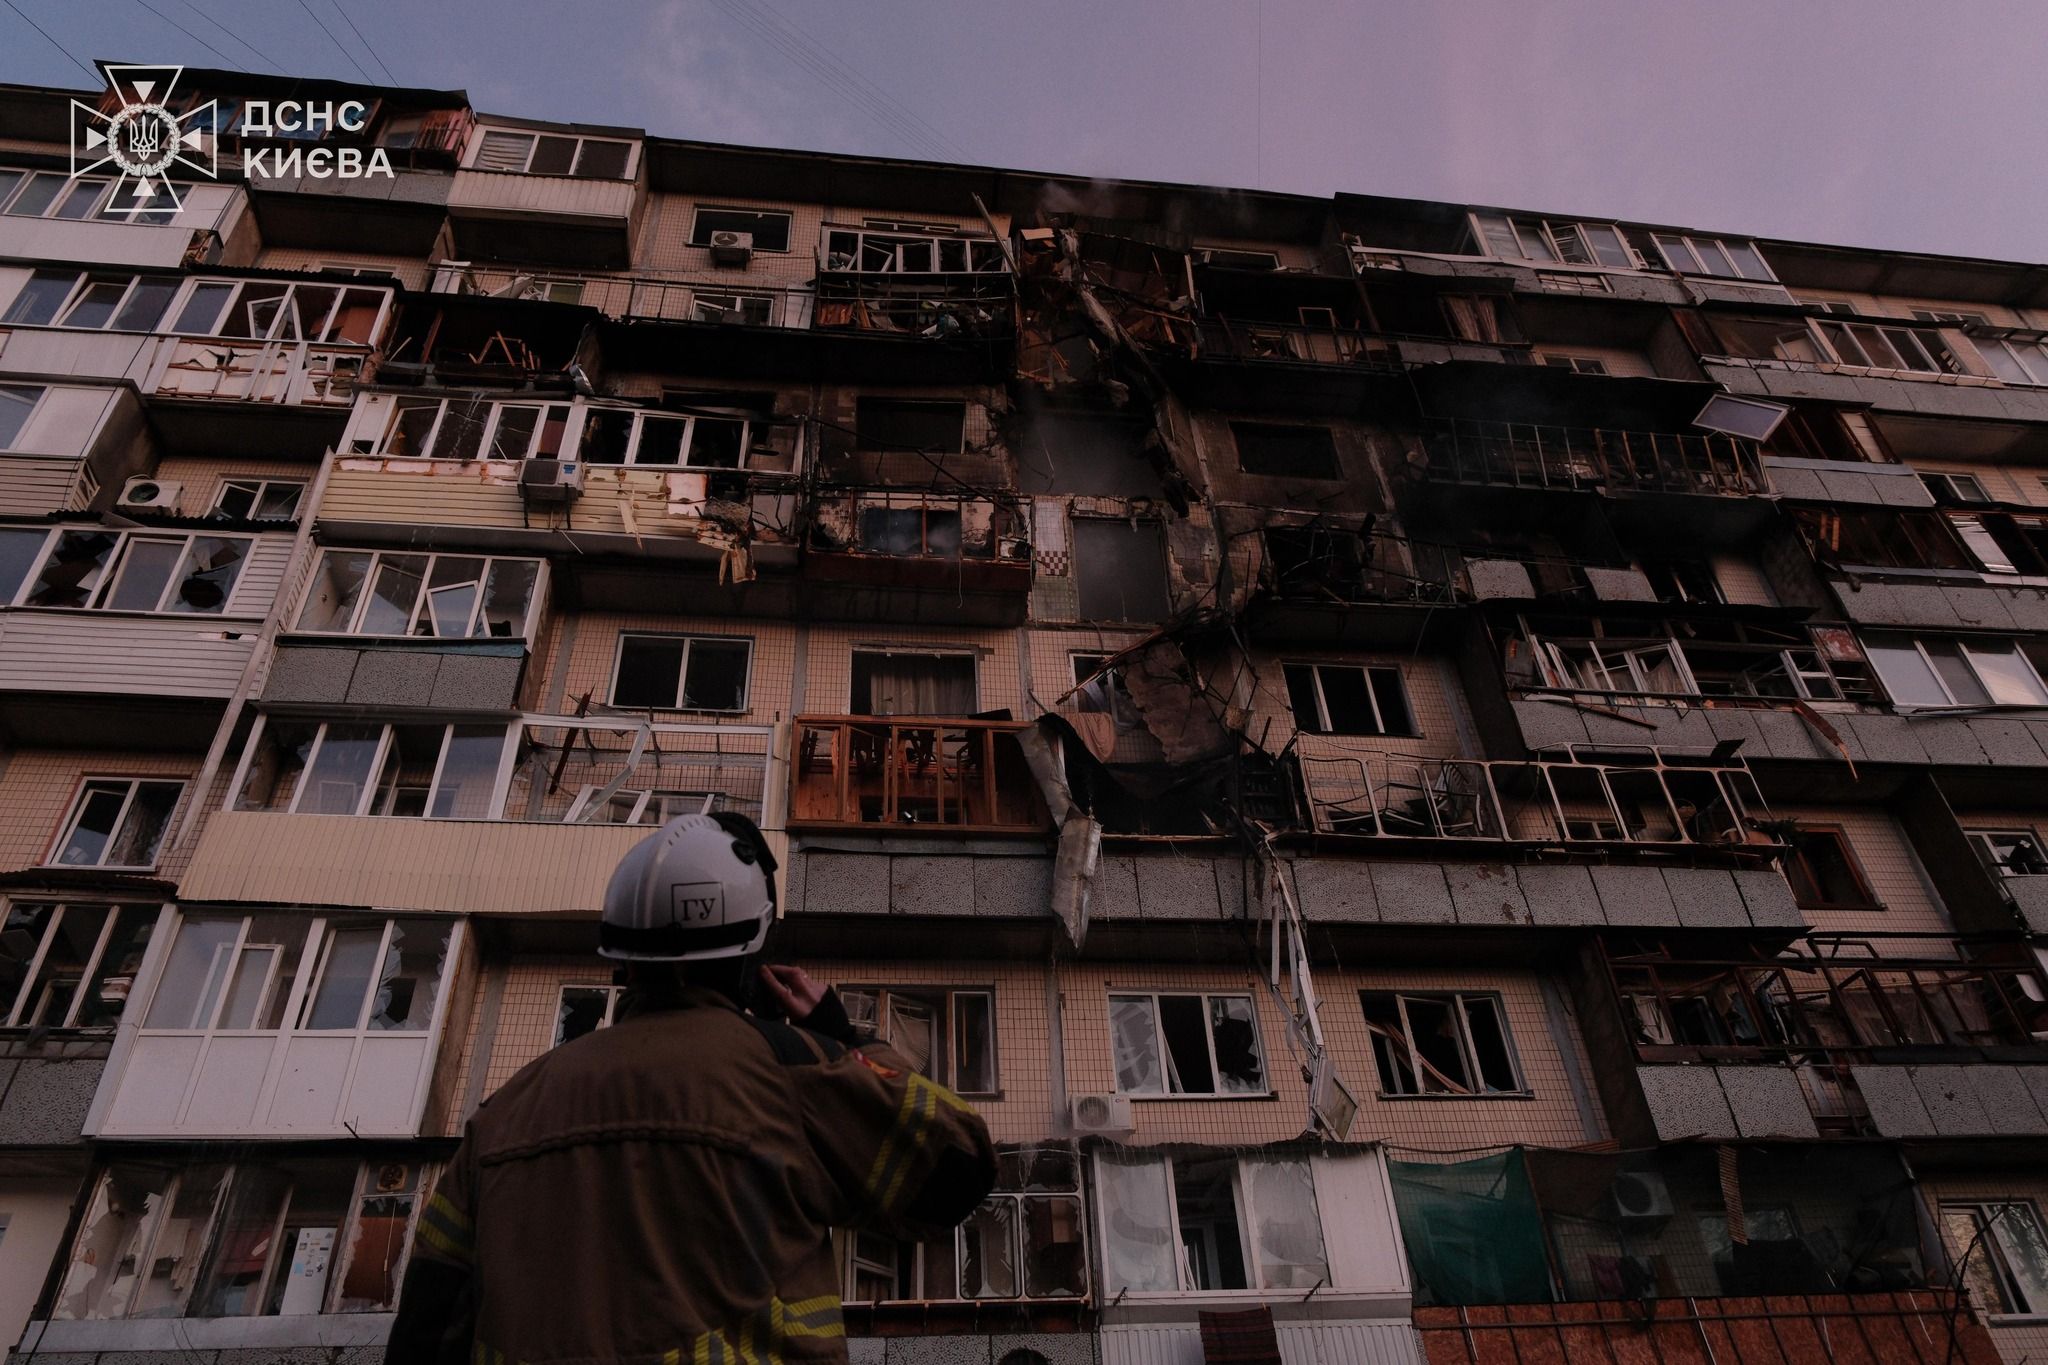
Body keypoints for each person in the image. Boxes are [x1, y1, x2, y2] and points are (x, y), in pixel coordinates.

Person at [387, 811, 996, 1364]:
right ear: (753, 953)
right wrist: (844, 1039)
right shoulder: (790, 1072)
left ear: (621, 961)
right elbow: (958, 1166)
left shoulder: (506, 1111)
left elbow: (427, 1328)